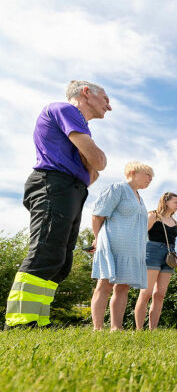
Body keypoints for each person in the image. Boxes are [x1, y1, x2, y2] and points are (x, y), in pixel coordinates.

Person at [5, 80, 109, 328]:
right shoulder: (65, 110)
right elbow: (98, 161)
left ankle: (38, 321)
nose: (109, 105)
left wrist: (92, 162)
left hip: (70, 188)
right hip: (53, 183)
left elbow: (94, 172)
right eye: (105, 98)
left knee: (60, 259)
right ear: (86, 93)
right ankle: (19, 321)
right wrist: (91, 158)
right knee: (45, 250)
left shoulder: (78, 124)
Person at [90, 162, 154, 331]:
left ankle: (116, 328)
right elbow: (97, 215)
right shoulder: (117, 188)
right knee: (105, 284)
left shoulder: (140, 197)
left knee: (123, 286)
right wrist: (98, 239)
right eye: (148, 175)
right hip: (113, 243)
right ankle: (97, 328)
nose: (150, 179)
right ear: (133, 172)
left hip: (132, 248)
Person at [134, 192, 177, 330]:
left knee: (160, 294)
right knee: (146, 293)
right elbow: (140, 234)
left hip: (169, 255)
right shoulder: (153, 216)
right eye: (175, 202)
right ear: (166, 202)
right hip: (152, 251)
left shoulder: (175, 222)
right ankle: (139, 329)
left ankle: (152, 329)